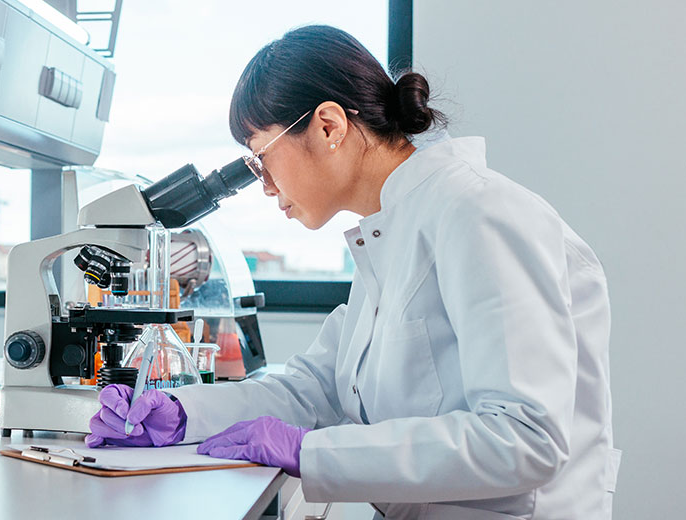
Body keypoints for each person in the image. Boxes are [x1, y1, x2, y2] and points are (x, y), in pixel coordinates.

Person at [86, 25, 620, 519]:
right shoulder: (389, 233)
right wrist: (184, 413)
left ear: (328, 125)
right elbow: (314, 388)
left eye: (260, 157)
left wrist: (308, 451)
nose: (265, 185)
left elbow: (525, 438)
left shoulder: (479, 213)